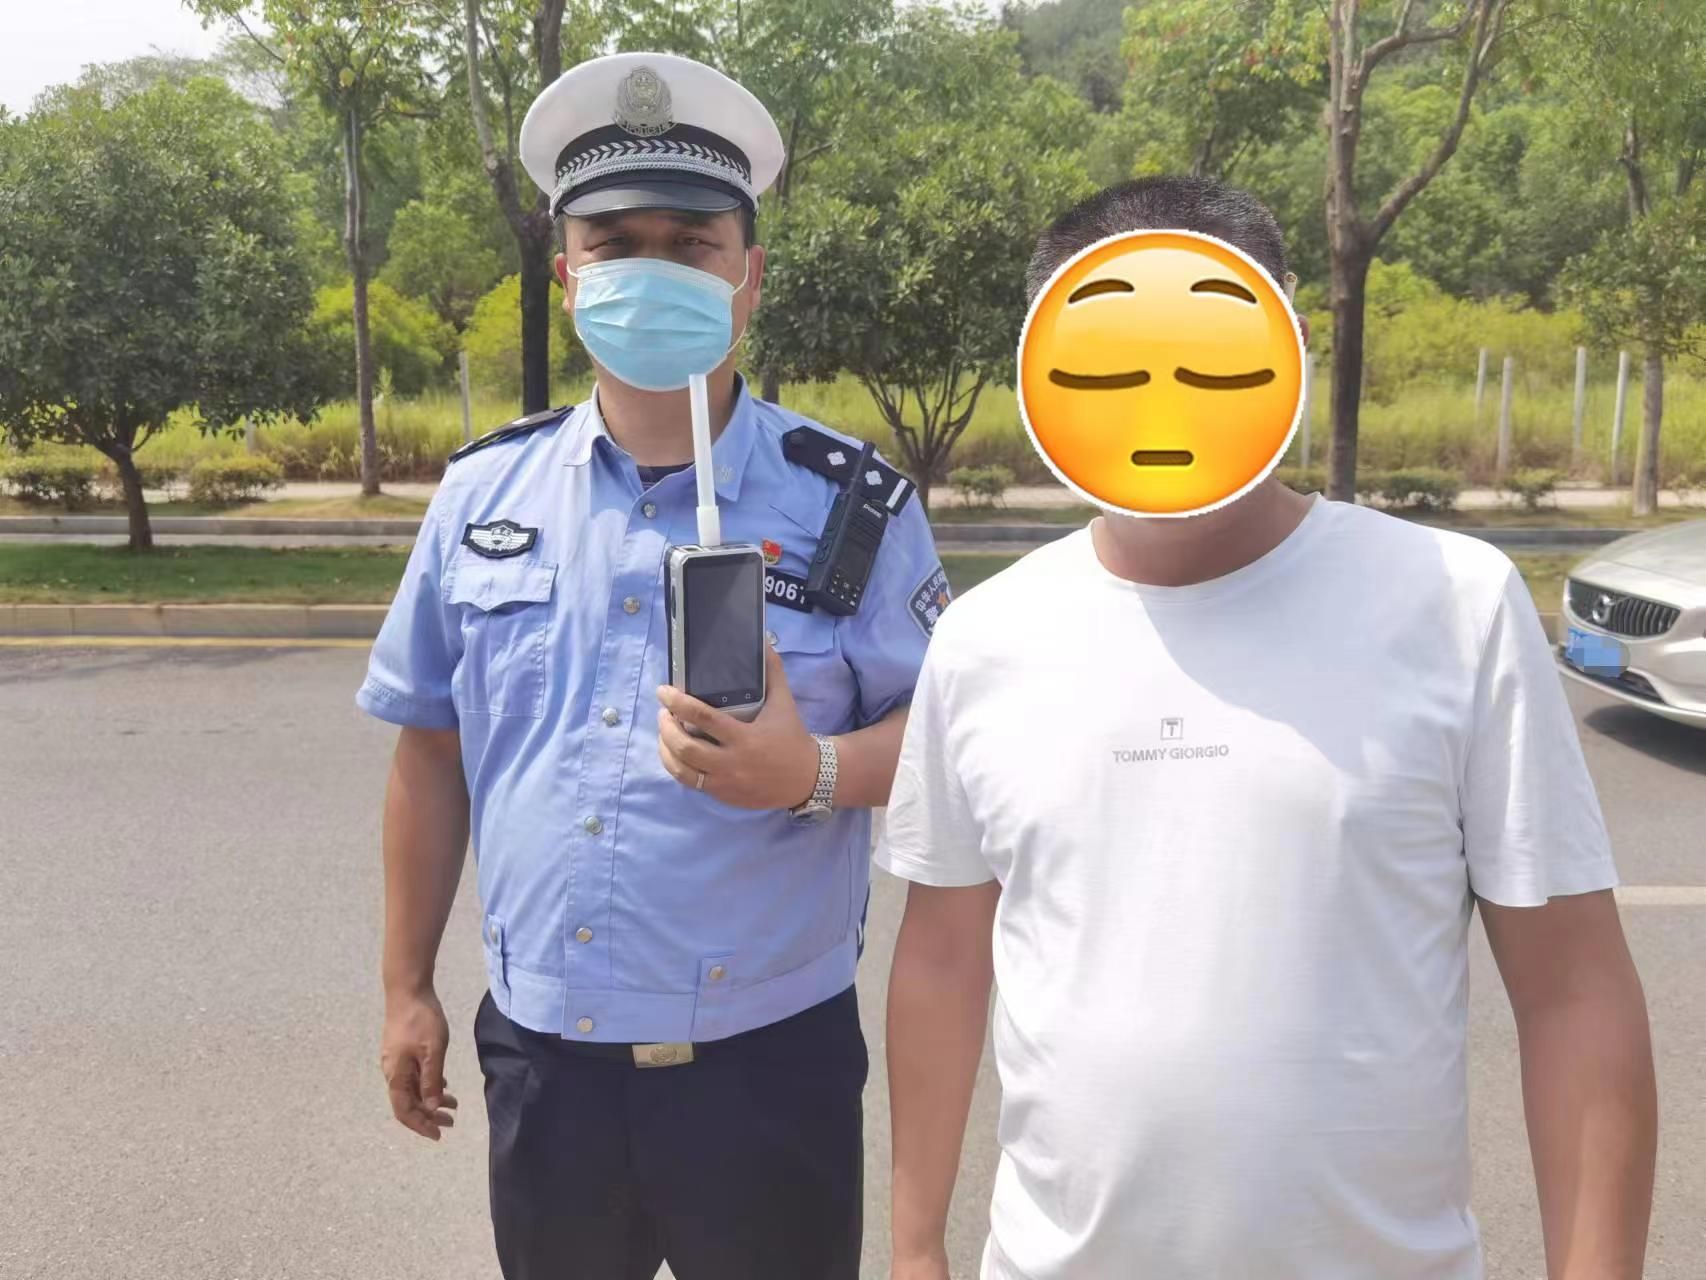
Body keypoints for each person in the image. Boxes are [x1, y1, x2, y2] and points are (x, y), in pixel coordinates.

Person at [879, 176, 1657, 1280]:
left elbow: (1572, 992)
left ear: (1287, 339)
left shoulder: (1452, 602)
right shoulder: (985, 637)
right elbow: (942, 961)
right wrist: (914, 1249)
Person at [358, 51, 947, 1280]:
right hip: (547, 1061)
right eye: (616, 242)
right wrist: (405, 984)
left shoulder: (853, 508)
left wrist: (810, 770)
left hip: (766, 1062)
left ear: (747, 276)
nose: (652, 269)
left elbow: (948, 740)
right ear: (566, 272)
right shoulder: (481, 497)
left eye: (690, 243)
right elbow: (432, 751)